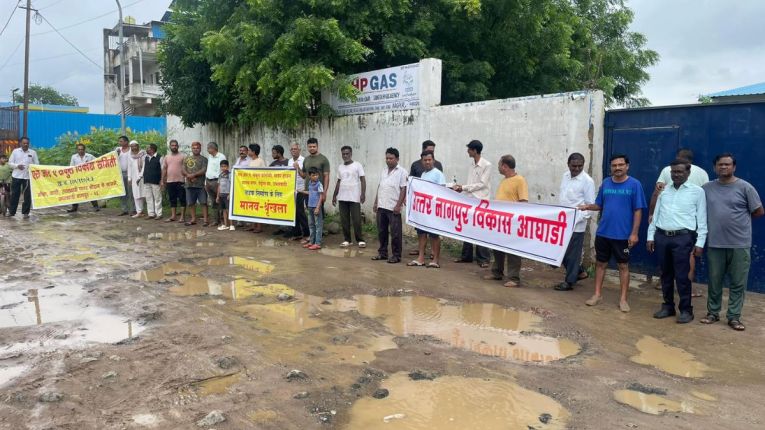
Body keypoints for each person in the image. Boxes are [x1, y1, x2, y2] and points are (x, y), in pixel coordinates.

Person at [700, 153, 763, 331]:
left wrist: (738, 222)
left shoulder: (745, 187)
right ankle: (713, 313)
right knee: (714, 281)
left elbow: (758, 211)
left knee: (738, 282)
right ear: (715, 167)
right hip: (715, 243)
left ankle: (734, 317)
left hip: (739, 244)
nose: (724, 167)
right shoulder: (707, 188)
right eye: (720, 164)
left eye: (727, 164)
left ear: (734, 167)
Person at [578, 154, 646, 312]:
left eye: (621, 165)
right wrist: (587, 207)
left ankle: (623, 299)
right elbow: (599, 205)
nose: (617, 168)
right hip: (603, 233)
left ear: (627, 166)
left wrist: (634, 233)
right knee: (600, 264)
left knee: (623, 266)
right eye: (614, 165)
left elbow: (638, 210)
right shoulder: (606, 183)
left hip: (622, 235)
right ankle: (597, 294)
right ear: (611, 167)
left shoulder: (635, 184)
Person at [647, 159, 707, 324]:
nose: (676, 175)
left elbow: (702, 218)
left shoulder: (697, 192)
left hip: (683, 238)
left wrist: (700, 242)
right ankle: (668, 306)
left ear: (688, 173)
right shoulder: (664, 191)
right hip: (662, 236)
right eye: (673, 172)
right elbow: (656, 214)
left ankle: (686, 310)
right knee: (665, 274)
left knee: (682, 275)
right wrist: (650, 236)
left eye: (680, 172)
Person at [483, 154, 528, 287]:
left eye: (499, 164)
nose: (498, 167)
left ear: (505, 166)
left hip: (513, 222)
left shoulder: (520, 180)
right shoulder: (504, 180)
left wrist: (515, 219)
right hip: (501, 221)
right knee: (497, 247)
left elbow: (524, 202)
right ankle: (497, 272)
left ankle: (514, 278)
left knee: (513, 250)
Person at [554, 153, 596, 291]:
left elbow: (590, 207)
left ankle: (569, 282)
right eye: (574, 166)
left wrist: (575, 219)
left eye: (580, 166)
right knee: (560, 251)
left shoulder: (587, 181)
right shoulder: (565, 176)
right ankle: (579, 271)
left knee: (572, 254)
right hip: (562, 222)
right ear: (568, 164)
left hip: (576, 225)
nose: (577, 169)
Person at [451, 140, 492, 268]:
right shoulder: (472, 164)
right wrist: (462, 189)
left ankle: (483, 259)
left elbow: (482, 184)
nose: (467, 151)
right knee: (467, 228)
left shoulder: (487, 165)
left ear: (474, 150)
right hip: (470, 200)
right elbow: (471, 183)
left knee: (480, 229)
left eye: (469, 149)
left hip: (481, 201)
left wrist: (463, 187)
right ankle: (466, 256)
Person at [408, 150, 445, 268]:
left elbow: (442, 191)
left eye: (429, 160)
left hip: (433, 210)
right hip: (423, 210)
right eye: (425, 160)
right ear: (422, 161)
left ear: (433, 160)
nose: (427, 162)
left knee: (434, 235)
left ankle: (435, 260)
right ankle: (421, 258)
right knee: (421, 233)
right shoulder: (423, 174)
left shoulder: (438, 174)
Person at [372, 148, 408, 264]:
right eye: (387, 158)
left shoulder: (402, 172)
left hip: (393, 207)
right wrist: (376, 202)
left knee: (395, 233)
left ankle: (396, 255)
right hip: (382, 205)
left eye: (391, 158)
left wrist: (398, 205)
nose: (388, 160)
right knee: (381, 231)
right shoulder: (383, 170)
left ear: (397, 159)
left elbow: (403, 189)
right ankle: (382, 253)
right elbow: (380, 186)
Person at [332, 146, 366, 248]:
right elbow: (338, 182)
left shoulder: (357, 165)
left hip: (354, 197)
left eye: (347, 153)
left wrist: (363, 193)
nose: (345, 155)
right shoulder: (340, 167)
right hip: (342, 197)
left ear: (351, 154)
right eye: (343, 154)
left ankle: (360, 240)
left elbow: (363, 180)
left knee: (356, 219)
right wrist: (334, 195)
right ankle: (347, 240)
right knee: (344, 220)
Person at [298, 138, 330, 244]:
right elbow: (304, 175)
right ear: (307, 147)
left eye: (314, 146)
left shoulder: (323, 159)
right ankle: (313, 238)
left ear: (317, 146)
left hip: (318, 193)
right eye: (310, 146)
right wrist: (297, 168)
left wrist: (324, 192)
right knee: (311, 217)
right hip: (308, 192)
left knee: (318, 215)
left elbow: (326, 177)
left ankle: (318, 240)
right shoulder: (306, 160)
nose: (312, 148)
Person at [8, 137, 38, 219]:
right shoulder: (15, 151)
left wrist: (32, 167)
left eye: (27, 143)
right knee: (14, 195)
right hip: (16, 176)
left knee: (27, 196)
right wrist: (17, 166)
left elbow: (37, 164)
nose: (26, 144)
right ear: (20, 143)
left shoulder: (33, 153)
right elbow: (10, 163)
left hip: (27, 177)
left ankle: (25, 213)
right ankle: (11, 212)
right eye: (24, 143)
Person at [66, 143, 99, 213]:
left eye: (82, 149)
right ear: (77, 150)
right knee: (75, 192)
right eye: (79, 149)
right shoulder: (74, 157)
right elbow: (71, 167)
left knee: (90, 191)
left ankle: (96, 206)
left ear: (84, 150)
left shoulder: (89, 156)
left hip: (88, 177)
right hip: (77, 177)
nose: (80, 151)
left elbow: (98, 161)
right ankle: (74, 207)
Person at [183, 141, 209, 226]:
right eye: (194, 148)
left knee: (203, 202)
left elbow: (204, 170)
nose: (195, 149)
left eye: (197, 148)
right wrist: (189, 176)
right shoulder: (187, 158)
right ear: (191, 149)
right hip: (189, 184)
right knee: (190, 203)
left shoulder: (204, 159)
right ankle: (193, 219)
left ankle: (206, 220)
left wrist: (193, 175)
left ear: (200, 149)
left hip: (200, 185)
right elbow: (183, 169)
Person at [162, 139, 187, 223]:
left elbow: (186, 168)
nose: (174, 147)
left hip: (181, 181)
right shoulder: (167, 157)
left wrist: (186, 179)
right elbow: (164, 169)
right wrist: (162, 180)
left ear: (178, 146)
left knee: (182, 199)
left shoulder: (183, 156)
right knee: (172, 199)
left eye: (175, 145)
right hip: (170, 181)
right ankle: (173, 216)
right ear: (170, 146)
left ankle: (182, 217)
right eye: (172, 145)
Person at [289, 143, 309, 241]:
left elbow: (305, 176)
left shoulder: (304, 160)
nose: (293, 150)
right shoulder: (289, 161)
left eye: (295, 149)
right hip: (291, 190)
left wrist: (298, 167)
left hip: (301, 190)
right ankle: (297, 233)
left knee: (300, 212)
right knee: (293, 212)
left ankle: (307, 234)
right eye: (292, 149)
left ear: (299, 150)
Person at [302, 167, 325, 250]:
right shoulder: (310, 183)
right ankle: (312, 242)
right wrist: (301, 191)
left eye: (316, 175)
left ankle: (317, 243)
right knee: (311, 225)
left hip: (316, 207)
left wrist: (318, 208)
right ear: (309, 176)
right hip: (310, 207)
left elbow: (321, 196)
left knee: (318, 226)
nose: (315, 177)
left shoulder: (319, 184)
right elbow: (310, 192)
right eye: (313, 175)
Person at [205, 142, 227, 227]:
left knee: (220, 200)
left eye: (208, 148)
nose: (207, 149)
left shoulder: (221, 156)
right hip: (209, 181)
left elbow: (223, 170)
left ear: (213, 148)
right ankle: (215, 220)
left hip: (217, 181)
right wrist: (205, 182)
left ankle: (222, 220)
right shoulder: (210, 156)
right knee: (213, 201)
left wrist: (220, 182)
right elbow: (209, 169)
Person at [141, 143, 163, 220]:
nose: (146, 149)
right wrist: (140, 177)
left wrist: (162, 180)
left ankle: (159, 214)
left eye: (148, 148)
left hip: (156, 180)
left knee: (157, 198)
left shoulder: (160, 157)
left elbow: (163, 169)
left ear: (152, 149)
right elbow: (143, 168)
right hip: (147, 180)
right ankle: (151, 214)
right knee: (148, 198)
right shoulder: (146, 157)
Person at [114, 135, 135, 215]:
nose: (120, 143)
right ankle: (124, 209)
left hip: (130, 173)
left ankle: (133, 209)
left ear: (126, 142)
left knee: (131, 192)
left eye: (121, 141)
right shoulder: (117, 149)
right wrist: (117, 154)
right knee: (122, 192)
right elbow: (112, 160)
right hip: (120, 173)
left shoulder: (131, 150)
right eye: (119, 141)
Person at [127, 140, 147, 218]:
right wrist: (129, 178)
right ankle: (139, 211)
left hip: (143, 177)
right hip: (134, 177)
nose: (134, 147)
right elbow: (129, 167)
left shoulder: (143, 154)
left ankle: (146, 211)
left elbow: (144, 166)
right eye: (132, 146)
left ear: (138, 146)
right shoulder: (130, 155)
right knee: (136, 194)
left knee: (144, 194)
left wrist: (140, 176)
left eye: (135, 146)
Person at [216, 159, 235, 231]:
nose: (223, 168)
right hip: (221, 195)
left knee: (228, 210)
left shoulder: (230, 175)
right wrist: (217, 196)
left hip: (227, 195)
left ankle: (232, 225)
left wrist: (230, 194)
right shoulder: (220, 175)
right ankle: (225, 225)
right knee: (223, 210)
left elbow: (232, 185)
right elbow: (219, 186)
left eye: (225, 166)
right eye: (222, 166)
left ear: (228, 167)